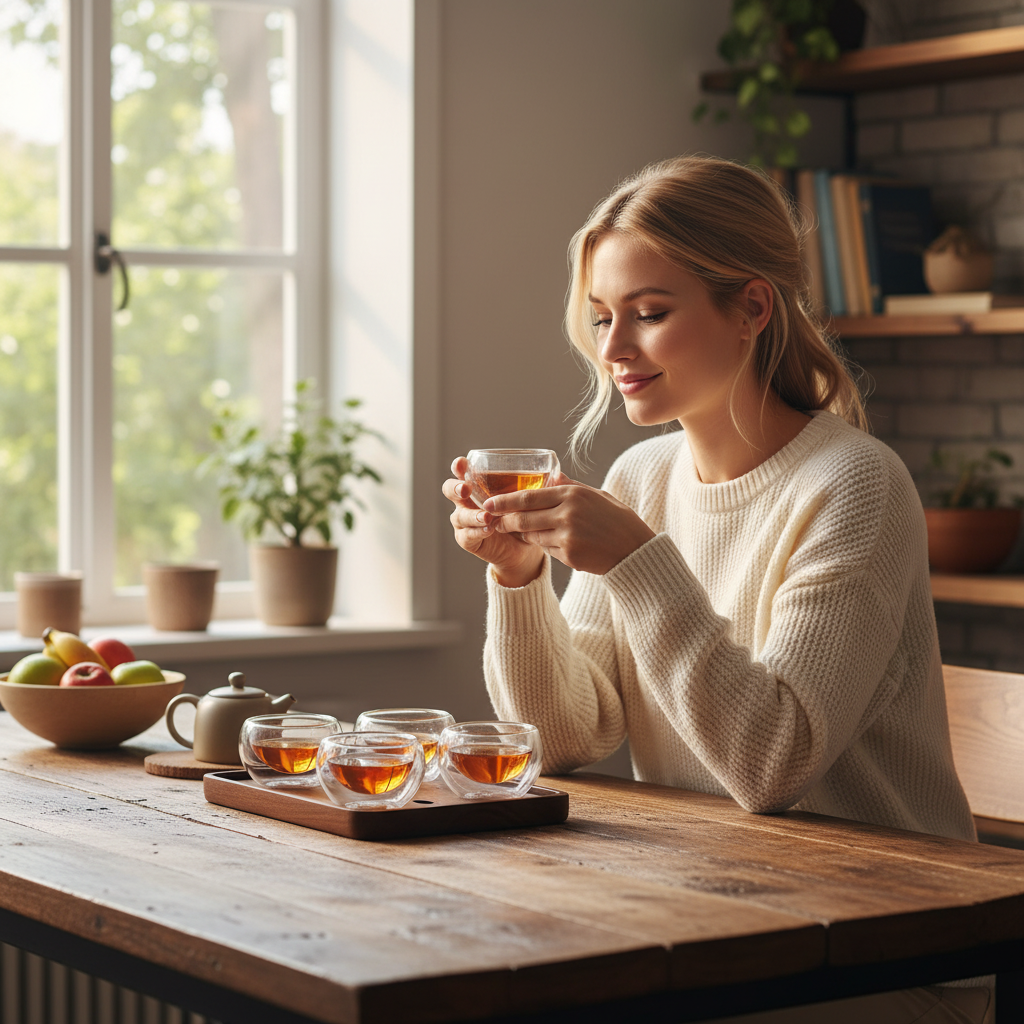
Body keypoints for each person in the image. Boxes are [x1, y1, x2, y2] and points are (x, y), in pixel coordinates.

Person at [443, 156, 989, 1024]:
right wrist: (518, 583)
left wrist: (637, 562)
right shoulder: (642, 476)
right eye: (601, 319)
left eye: (650, 315)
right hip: (718, 915)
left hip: (886, 953)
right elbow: (562, 736)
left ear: (752, 308)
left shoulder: (855, 486)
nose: (614, 350)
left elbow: (771, 765)